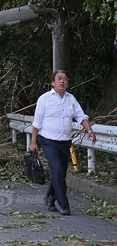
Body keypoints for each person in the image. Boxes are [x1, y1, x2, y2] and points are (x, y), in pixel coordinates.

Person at [29, 70, 96, 216]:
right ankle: (64, 204)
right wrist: (33, 142)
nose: (62, 81)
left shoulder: (71, 99)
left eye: (65, 79)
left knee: (61, 173)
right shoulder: (44, 99)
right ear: (53, 82)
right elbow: (37, 123)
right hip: (48, 140)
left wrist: (89, 130)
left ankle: (50, 198)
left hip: (65, 141)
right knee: (57, 170)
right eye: (59, 78)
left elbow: (81, 116)